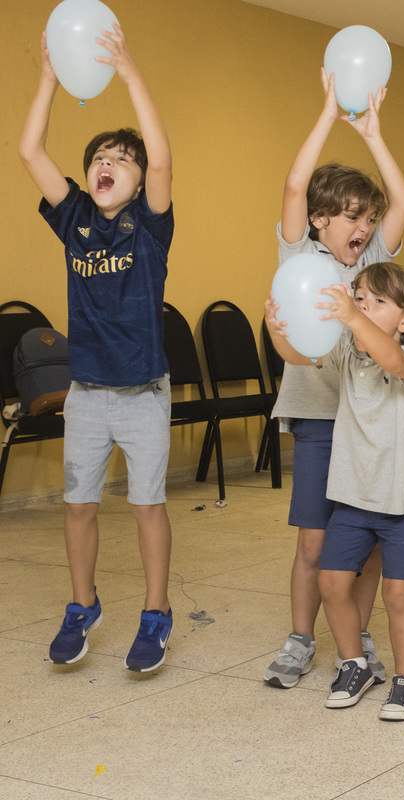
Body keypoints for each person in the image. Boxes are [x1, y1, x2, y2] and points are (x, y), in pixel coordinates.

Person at [19, 23, 175, 672]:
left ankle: (156, 612)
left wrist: (130, 73)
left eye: (122, 160)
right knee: (78, 505)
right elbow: (29, 150)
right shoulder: (75, 217)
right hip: (85, 393)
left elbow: (161, 158)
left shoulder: (150, 227)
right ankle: (82, 606)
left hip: (142, 394)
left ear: (139, 182)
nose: (108, 164)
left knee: (145, 507)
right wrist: (48, 78)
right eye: (100, 158)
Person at [263, 69, 404, 690]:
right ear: (320, 219)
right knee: (313, 543)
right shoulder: (299, 255)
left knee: (369, 543)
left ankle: (360, 633)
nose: (365, 227)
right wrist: (328, 111)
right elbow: (294, 183)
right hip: (317, 418)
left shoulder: (372, 264)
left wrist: (373, 134)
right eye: (353, 216)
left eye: (369, 218)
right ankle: (301, 638)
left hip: (367, 422)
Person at [266, 262, 404, 720]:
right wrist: (278, 332)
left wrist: (352, 317)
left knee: (398, 596)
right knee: (331, 583)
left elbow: (395, 361)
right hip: (352, 497)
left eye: (377, 302)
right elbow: (303, 357)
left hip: (403, 501)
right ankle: (353, 665)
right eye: (359, 298)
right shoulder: (347, 351)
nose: (361, 307)